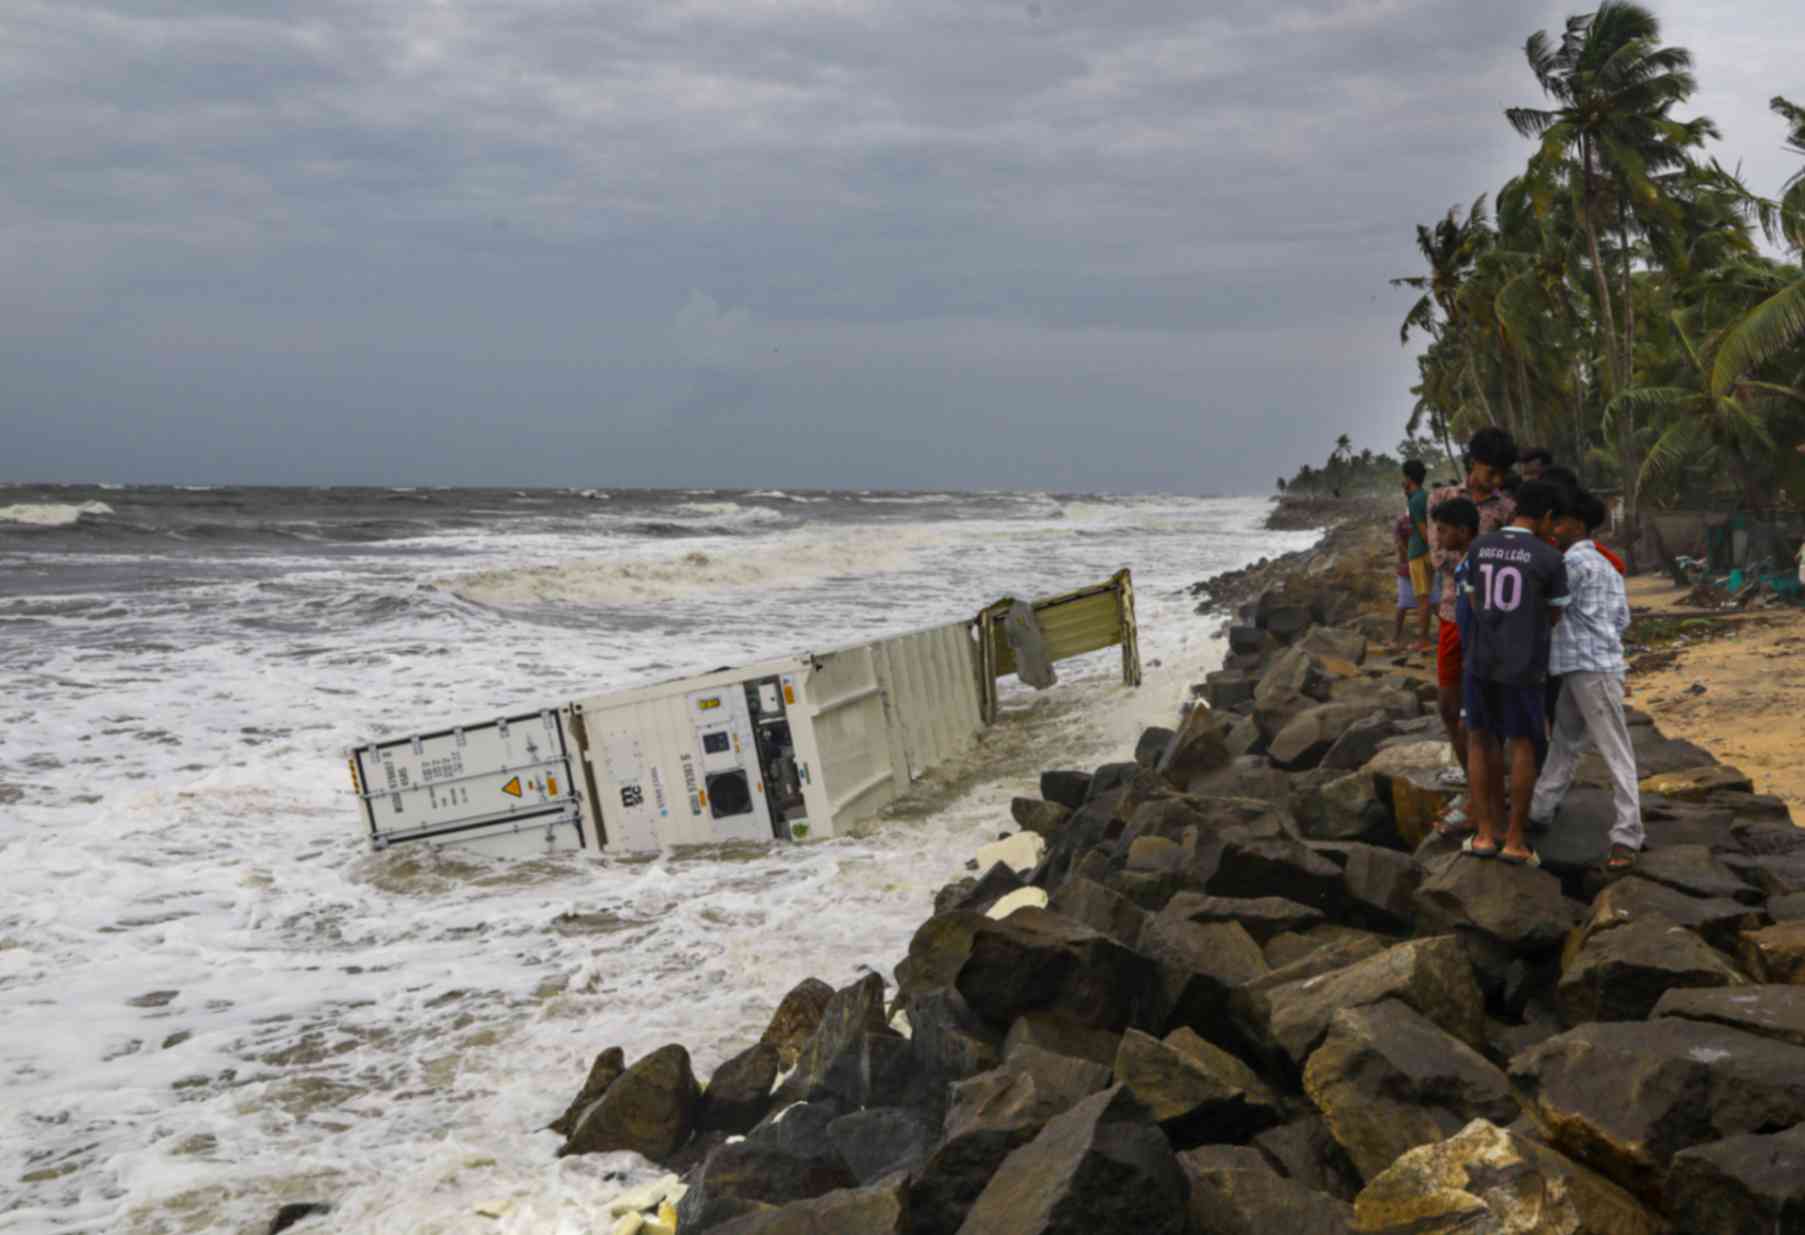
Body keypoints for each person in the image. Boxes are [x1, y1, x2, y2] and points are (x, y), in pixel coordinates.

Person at [1529, 490, 1644, 874]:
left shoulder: (1572, 564)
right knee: (1566, 741)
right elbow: (1623, 619)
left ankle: (1628, 833)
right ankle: (1540, 808)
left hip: (1588, 668)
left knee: (1613, 750)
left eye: (1559, 522)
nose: (1554, 528)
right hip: (1592, 666)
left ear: (1577, 524)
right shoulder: (1607, 565)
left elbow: (1552, 609)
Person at [1460, 480, 1569, 864]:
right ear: (1547, 517)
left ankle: (1484, 834)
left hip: (1480, 659)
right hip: (1523, 664)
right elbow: (1554, 615)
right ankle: (1515, 840)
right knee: (1523, 744)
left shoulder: (1479, 547)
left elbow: (1472, 600)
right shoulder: (1549, 558)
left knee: (1479, 739)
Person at [1427, 429, 1519, 818]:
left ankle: (1487, 792)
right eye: (1490, 471)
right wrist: (1484, 556)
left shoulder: (1507, 509)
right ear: (1474, 462)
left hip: (1493, 620)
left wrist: (1473, 555)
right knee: (1449, 707)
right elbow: (1439, 558)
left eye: (1501, 474)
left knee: (1485, 713)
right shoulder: (1442, 499)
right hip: (1452, 614)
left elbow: (1513, 562)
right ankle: (1473, 781)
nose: (1495, 480)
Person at [1402, 460, 1433, 651]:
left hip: (1419, 553)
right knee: (1430, 597)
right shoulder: (1426, 496)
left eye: (1404, 477)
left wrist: (1432, 548)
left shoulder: (1414, 502)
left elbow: (1423, 531)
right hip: (1428, 552)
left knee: (1422, 599)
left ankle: (1423, 640)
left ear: (1409, 478)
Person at [1392, 511, 1418, 647]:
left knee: (1402, 605)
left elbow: (1398, 544)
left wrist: (1408, 556)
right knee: (1432, 602)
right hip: (1418, 564)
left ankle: (1396, 638)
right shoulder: (1422, 517)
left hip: (1407, 566)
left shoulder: (1402, 520)